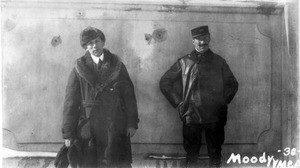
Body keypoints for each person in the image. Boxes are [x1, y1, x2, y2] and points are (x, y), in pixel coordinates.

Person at [159, 25, 238, 168]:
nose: (202, 42)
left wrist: (222, 102)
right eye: (199, 39)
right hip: (191, 115)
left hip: (215, 116)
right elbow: (165, 82)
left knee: (215, 155)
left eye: (205, 38)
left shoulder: (219, 62)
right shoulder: (184, 62)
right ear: (193, 42)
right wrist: (179, 102)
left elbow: (233, 84)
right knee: (191, 156)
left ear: (210, 39)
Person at [61, 26, 139, 168]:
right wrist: (68, 133)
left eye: (97, 41)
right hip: (88, 126)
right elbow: (70, 103)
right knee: (89, 162)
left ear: (103, 42)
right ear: (85, 47)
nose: (94, 46)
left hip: (115, 124)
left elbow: (129, 97)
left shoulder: (118, 66)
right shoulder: (79, 69)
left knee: (115, 163)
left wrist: (132, 123)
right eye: (89, 43)